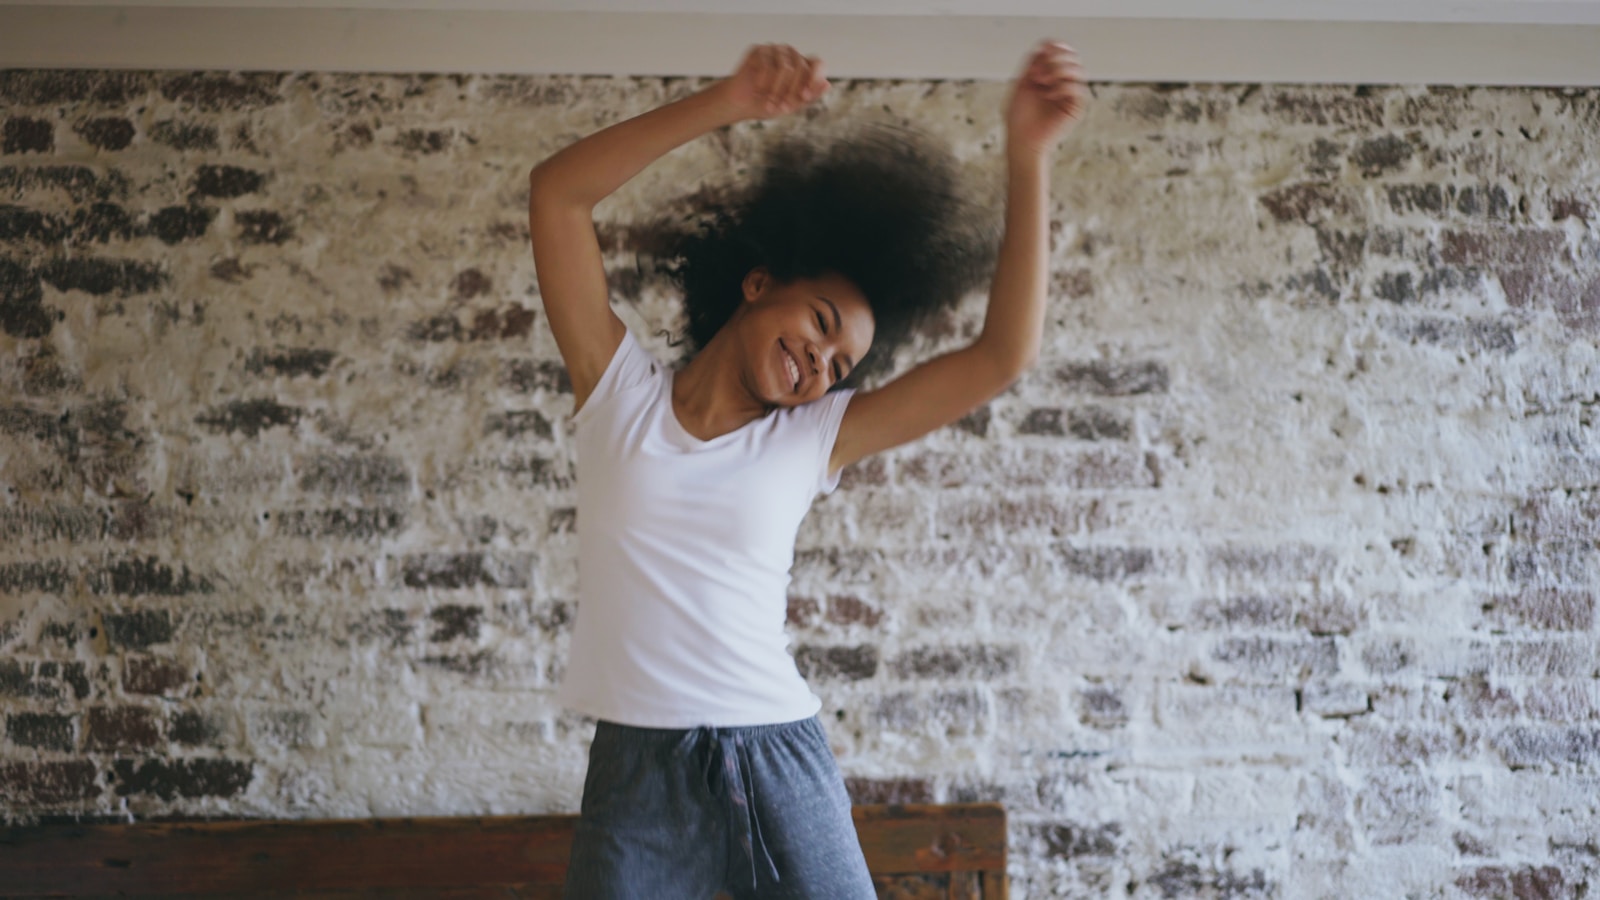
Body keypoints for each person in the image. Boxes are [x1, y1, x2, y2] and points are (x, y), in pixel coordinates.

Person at [528, 39, 1087, 900]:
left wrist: (1028, 151)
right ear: (758, 283)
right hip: (636, 771)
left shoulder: (813, 438)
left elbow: (1002, 356)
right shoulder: (617, 394)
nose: (823, 363)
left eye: (842, 365)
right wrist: (727, 101)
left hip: (777, 754)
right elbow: (556, 196)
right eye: (822, 322)